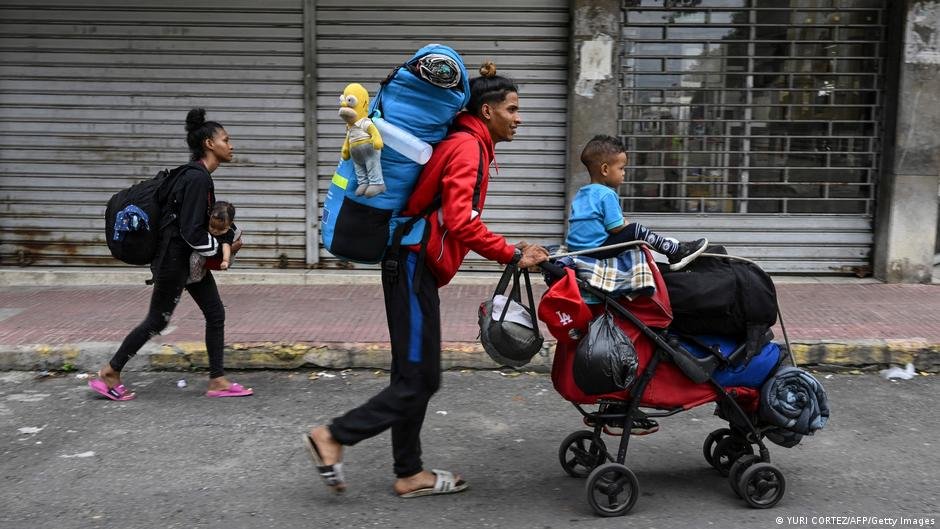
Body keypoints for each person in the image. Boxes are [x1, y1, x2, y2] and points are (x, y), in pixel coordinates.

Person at [303, 62, 549, 498]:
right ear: (487, 111)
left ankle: (409, 472)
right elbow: (461, 221)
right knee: (420, 379)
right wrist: (513, 252)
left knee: (410, 375)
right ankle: (334, 436)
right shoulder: (468, 148)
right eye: (512, 108)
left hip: (411, 263)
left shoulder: (465, 141)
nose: (519, 118)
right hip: (412, 264)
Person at [88, 108, 252, 401]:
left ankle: (218, 380)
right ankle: (109, 372)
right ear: (209, 144)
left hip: (187, 262)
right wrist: (223, 252)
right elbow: (191, 232)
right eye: (226, 139)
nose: (232, 145)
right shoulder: (198, 179)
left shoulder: (195, 176)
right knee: (157, 320)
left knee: (215, 314)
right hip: (174, 262)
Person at [567, 134, 708, 271]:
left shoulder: (582, 193)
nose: (624, 173)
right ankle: (675, 251)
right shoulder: (606, 194)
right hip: (596, 251)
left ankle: (668, 250)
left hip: (577, 251)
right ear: (605, 169)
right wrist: (626, 225)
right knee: (635, 230)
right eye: (621, 168)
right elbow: (615, 228)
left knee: (631, 232)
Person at [188, 201, 240, 284]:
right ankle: (199, 273)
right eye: (212, 227)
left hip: (224, 258)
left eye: (221, 229)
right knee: (195, 256)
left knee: (196, 256)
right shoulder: (204, 223)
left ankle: (195, 279)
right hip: (211, 255)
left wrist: (225, 260)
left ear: (230, 224)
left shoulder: (229, 233)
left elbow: (226, 246)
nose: (215, 231)